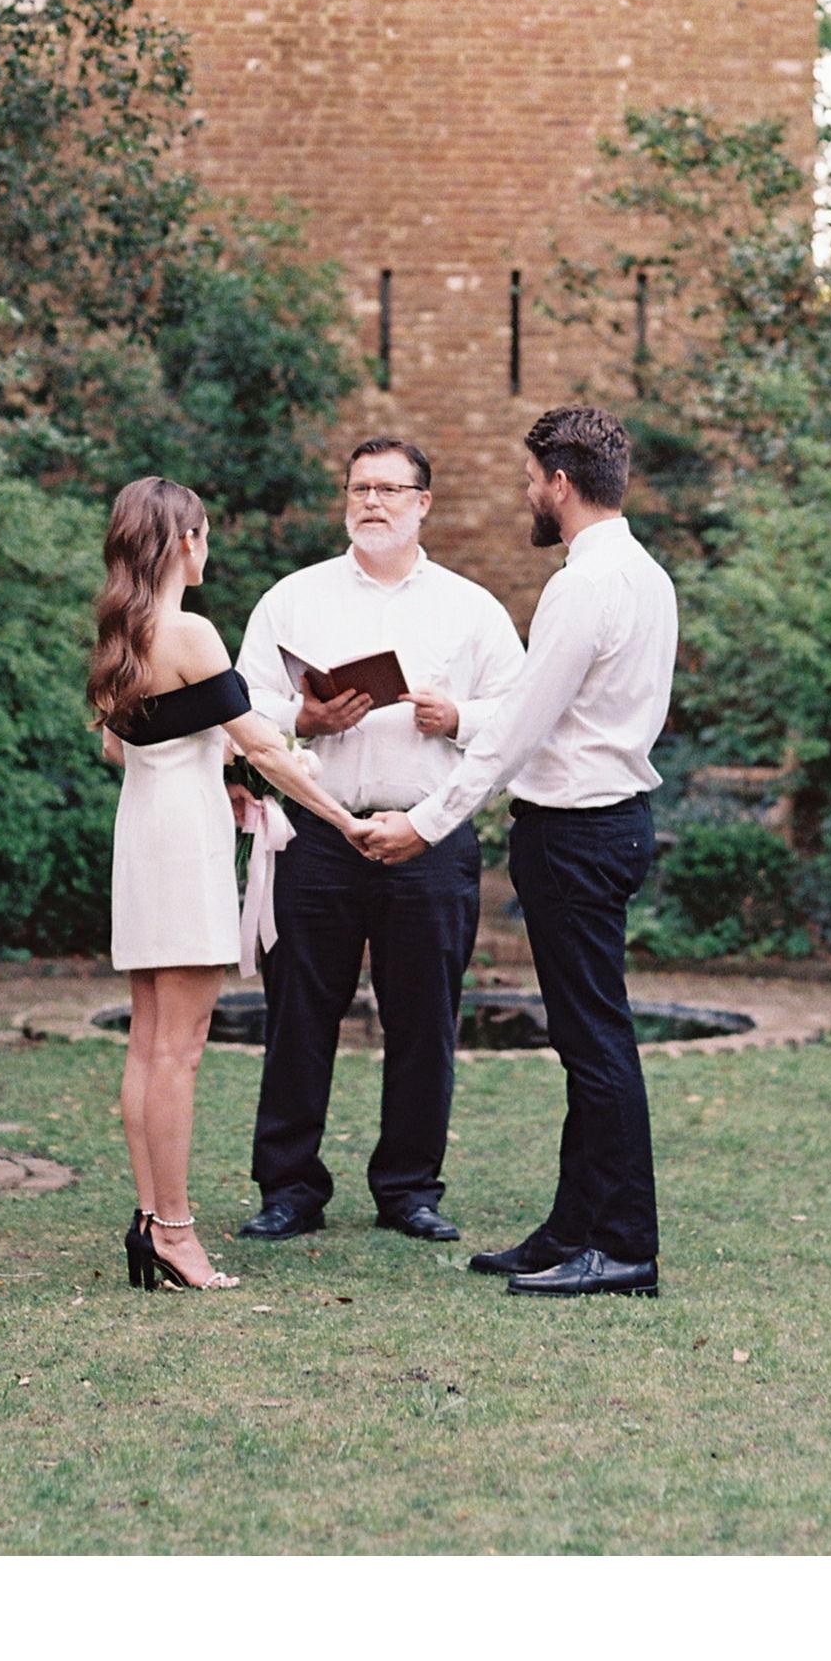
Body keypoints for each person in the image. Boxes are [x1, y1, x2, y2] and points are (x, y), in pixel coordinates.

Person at [357, 406, 677, 1299]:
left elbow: (519, 738)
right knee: (588, 1038)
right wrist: (463, 720)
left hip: (577, 835)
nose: (528, 495)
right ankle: (572, 1227)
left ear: (562, 485)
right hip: (605, 825)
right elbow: (553, 709)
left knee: (595, 1041)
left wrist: (424, 822)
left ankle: (624, 1246)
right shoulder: (645, 574)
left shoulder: (584, 585)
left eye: (532, 480)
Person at [231, 437, 526, 1245]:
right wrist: (305, 717)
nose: (372, 502)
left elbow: (521, 714)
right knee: (298, 1015)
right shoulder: (293, 598)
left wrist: (456, 717)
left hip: (428, 836)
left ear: (424, 503)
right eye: (360, 488)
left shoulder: (471, 609)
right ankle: (289, 1187)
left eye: (391, 490)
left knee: (425, 1018)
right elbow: (243, 704)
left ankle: (409, 1190)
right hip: (320, 831)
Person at [91, 475, 369, 1290]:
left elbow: (120, 748)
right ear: (183, 542)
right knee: (178, 1052)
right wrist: (344, 820)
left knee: (149, 1046)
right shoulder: (191, 631)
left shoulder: (125, 632)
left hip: (143, 832)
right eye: (204, 533)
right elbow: (269, 746)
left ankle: (150, 1220)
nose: (207, 547)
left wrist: (214, 754)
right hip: (184, 843)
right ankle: (176, 1235)